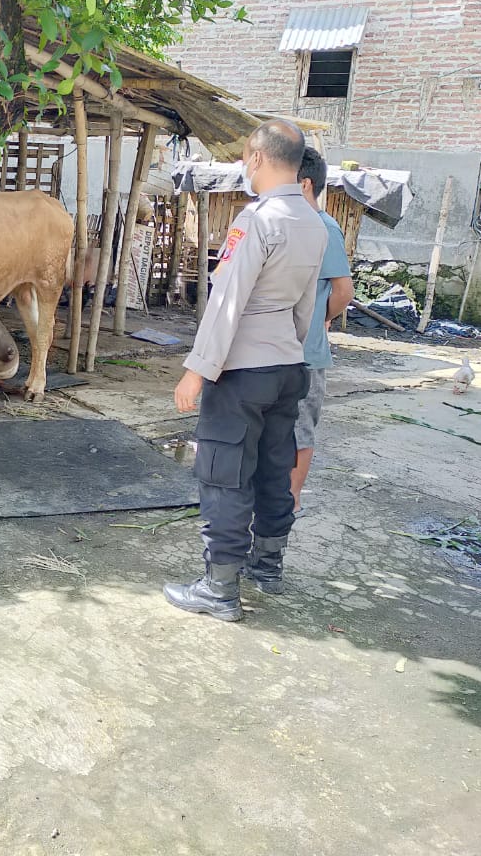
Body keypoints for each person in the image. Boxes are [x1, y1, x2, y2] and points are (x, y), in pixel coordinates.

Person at [165, 120, 329, 621]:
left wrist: (198, 369)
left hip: (242, 371)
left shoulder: (256, 221)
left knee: (224, 474)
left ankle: (219, 588)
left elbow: (227, 303)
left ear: (256, 158)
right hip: (287, 367)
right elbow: (306, 307)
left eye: (244, 159)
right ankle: (268, 566)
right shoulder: (314, 223)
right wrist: (289, 348)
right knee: (274, 468)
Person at [291, 147, 354, 521]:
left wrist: (320, 319)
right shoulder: (288, 225)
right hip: (279, 352)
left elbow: (344, 292)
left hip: (307, 355)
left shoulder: (325, 228)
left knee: (299, 431)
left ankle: (292, 500)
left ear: (305, 184)